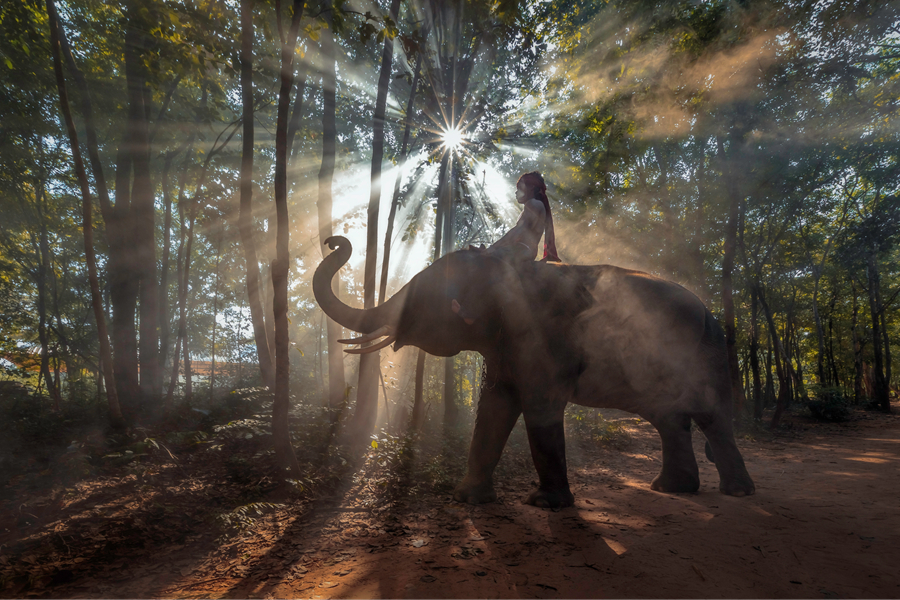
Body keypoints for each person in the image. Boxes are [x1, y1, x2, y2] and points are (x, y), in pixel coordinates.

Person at [490, 171, 561, 263]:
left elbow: (519, 230)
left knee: (483, 257)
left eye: (520, 188)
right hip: (525, 252)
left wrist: (492, 248)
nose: (516, 192)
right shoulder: (535, 205)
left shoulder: (533, 204)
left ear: (531, 187)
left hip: (521, 251)